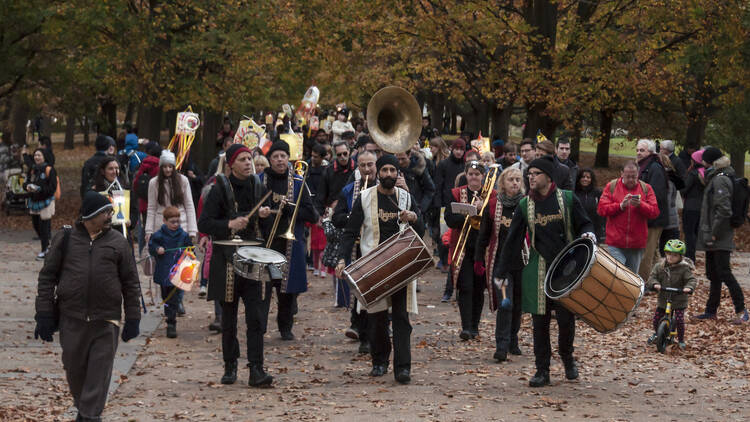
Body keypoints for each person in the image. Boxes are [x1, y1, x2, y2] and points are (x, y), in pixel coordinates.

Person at [34, 191, 141, 421]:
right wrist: (43, 313)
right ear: (91, 215)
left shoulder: (119, 243)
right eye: (106, 212)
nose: (110, 216)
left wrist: (134, 317)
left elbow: (131, 282)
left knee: (99, 375)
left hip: (106, 320)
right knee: (76, 374)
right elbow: (47, 278)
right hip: (71, 319)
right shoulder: (65, 239)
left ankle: (90, 416)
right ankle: (86, 412)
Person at [495, 157, 594, 387]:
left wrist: (589, 235)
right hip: (538, 270)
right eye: (529, 173)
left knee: (566, 321)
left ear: (549, 177)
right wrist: (500, 271)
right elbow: (512, 241)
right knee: (540, 323)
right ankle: (542, 370)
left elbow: (586, 223)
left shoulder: (567, 199)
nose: (530, 177)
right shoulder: (524, 205)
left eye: (536, 173)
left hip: (567, 271)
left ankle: (568, 359)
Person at [335, 154, 424, 384]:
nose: (388, 175)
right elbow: (350, 233)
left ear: (398, 174)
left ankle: (403, 368)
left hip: (401, 267)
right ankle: (379, 361)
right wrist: (342, 259)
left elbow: (421, 230)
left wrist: (414, 217)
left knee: (402, 319)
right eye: (384, 170)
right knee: (377, 319)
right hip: (373, 267)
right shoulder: (364, 198)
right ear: (378, 173)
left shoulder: (406, 197)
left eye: (392, 171)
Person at [197, 144, 274, 387]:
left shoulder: (258, 186)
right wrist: (230, 224)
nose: (248, 163)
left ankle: (256, 369)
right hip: (227, 261)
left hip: (252, 260)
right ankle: (230, 366)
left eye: (249, 158)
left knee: (256, 317)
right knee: (228, 318)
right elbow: (205, 223)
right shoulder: (219, 188)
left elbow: (266, 228)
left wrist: (263, 216)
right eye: (242, 159)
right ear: (231, 164)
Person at [259, 141, 317, 340]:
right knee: (263, 289)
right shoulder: (260, 180)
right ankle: (260, 327)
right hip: (266, 243)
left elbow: (312, 214)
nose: (279, 160)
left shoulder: (299, 181)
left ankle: (285, 327)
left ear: (288, 158)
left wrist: (292, 209)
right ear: (270, 159)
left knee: (286, 291)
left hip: (289, 245)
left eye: (283, 156)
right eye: (275, 156)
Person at [694, 147, 749, 324]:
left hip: (719, 235)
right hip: (713, 235)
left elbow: (723, 210)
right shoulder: (716, 177)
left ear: (709, 162)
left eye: (703, 160)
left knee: (725, 273)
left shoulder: (720, 180)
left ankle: (742, 310)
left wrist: (714, 234)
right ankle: (711, 310)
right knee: (713, 274)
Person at [475, 167, 524, 361]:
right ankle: (501, 346)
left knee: (518, 305)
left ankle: (513, 340)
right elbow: (484, 235)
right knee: (506, 304)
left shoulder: (527, 205)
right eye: (511, 180)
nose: (515, 183)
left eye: (518, 180)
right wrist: (479, 259)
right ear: (503, 183)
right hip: (500, 263)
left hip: (521, 262)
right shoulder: (493, 205)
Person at [331, 150, 378, 353]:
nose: (367, 169)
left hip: (378, 247)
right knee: (360, 292)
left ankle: (374, 334)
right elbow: (337, 218)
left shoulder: (385, 188)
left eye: (370, 165)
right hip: (357, 246)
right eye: (362, 165)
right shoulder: (349, 190)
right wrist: (353, 217)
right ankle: (363, 335)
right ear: (357, 167)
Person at [445, 161, 493, 340]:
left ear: (482, 176)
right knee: (466, 286)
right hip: (463, 246)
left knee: (479, 288)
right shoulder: (456, 193)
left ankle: (475, 326)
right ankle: (466, 326)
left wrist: (483, 209)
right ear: (466, 175)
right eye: (470, 174)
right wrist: (468, 213)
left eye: (477, 174)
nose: (473, 177)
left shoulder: (491, 195)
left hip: (482, 248)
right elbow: (449, 219)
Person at [597, 161, 660, 273]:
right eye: (628, 177)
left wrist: (641, 205)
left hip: (636, 244)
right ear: (621, 174)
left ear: (638, 174)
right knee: (619, 274)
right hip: (615, 242)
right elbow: (601, 209)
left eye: (634, 177)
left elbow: (655, 212)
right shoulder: (611, 186)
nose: (631, 179)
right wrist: (620, 206)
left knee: (631, 277)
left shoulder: (646, 188)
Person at [149, 206, 192, 338]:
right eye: (172, 222)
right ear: (164, 221)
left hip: (178, 273)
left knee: (174, 297)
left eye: (177, 221)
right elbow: (151, 247)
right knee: (166, 296)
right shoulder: (158, 235)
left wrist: (188, 254)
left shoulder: (183, 235)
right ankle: (170, 313)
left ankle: (171, 322)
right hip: (164, 272)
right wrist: (157, 249)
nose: (175, 224)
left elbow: (190, 249)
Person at [646, 239, 696, 349]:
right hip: (664, 298)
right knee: (656, 319)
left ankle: (681, 339)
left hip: (679, 299)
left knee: (679, 319)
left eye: (674, 255)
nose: (670, 257)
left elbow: (691, 280)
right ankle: (657, 333)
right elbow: (652, 277)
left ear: (680, 257)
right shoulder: (660, 266)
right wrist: (655, 284)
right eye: (668, 254)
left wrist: (688, 287)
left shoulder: (684, 268)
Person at [435, 138, 467, 302]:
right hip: (446, 208)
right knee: (444, 239)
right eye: (456, 148)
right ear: (452, 149)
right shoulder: (443, 165)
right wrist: (439, 206)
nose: (459, 152)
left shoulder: (466, 166)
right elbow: (438, 186)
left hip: (463, 210)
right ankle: (443, 260)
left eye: (462, 149)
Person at [636, 139, 669, 281]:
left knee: (646, 253)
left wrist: (640, 202)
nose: (638, 153)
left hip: (653, 218)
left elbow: (657, 193)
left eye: (642, 150)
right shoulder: (643, 166)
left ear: (650, 152)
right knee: (654, 253)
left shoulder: (654, 168)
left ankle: (642, 283)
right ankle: (661, 280)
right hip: (647, 216)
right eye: (637, 150)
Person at [25, 148, 57, 260]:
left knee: (44, 226)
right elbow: (26, 182)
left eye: (39, 155)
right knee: (35, 224)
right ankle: (47, 245)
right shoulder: (32, 169)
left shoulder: (50, 170)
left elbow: (52, 187)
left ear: (44, 157)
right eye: (35, 155)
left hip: (46, 201)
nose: (36, 157)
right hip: (34, 201)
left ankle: (44, 250)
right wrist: (27, 187)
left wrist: (39, 189)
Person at [132, 142, 162, 254]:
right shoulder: (161, 167)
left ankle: (143, 252)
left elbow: (135, 185)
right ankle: (156, 252)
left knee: (144, 229)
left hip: (144, 204)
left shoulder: (142, 165)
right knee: (158, 228)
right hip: (158, 204)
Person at [316, 141, 355, 216]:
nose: (342, 157)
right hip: (333, 212)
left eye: (345, 153)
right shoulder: (328, 171)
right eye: (339, 155)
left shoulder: (357, 169)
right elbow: (321, 195)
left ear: (349, 151)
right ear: (335, 155)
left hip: (352, 210)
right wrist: (319, 215)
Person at [681, 149, 705, 262]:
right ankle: (692, 254)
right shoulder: (705, 172)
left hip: (690, 206)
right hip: (701, 207)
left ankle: (690, 257)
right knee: (695, 232)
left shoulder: (693, 173)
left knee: (689, 233)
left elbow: (684, 189)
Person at [396, 149, 435, 214]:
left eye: (403, 159)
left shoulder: (419, 169)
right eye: (398, 159)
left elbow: (430, 189)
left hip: (417, 209)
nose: (400, 162)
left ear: (409, 155)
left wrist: (421, 208)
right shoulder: (394, 169)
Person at [575, 168, 605, 243]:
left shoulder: (597, 193)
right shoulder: (574, 193)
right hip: (578, 229)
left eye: (588, 177)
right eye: (583, 177)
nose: (585, 179)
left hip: (595, 230)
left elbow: (602, 212)